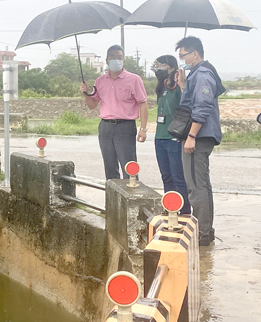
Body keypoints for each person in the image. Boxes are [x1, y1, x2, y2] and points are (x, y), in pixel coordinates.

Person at [176, 36, 224, 246]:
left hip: (199, 136)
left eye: (183, 55)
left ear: (195, 53)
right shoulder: (196, 74)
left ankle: (202, 235)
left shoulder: (203, 74)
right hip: (199, 135)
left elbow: (203, 107)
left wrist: (192, 135)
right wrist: (183, 85)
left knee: (196, 186)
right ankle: (206, 230)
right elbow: (191, 102)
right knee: (202, 185)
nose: (182, 60)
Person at [80, 45, 148, 180]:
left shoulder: (133, 79)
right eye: (112, 57)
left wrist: (143, 129)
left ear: (124, 60)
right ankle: (113, 198)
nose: (116, 60)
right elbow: (93, 105)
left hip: (125, 126)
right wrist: (85, 93)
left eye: (119, 57)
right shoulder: (100, 81)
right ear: (106, 60)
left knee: (128, 166)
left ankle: (131, 197)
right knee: (109, 166)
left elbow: (143, 103)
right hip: (105, 127)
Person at [152, 54, 191, 214]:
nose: (158, 69)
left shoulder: (178, 86)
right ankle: (171, 208)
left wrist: (182, 83)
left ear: (172, 67)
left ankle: (184, 210)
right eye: (157, 66)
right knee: (166, 177)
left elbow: (187, 103)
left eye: (161, 65)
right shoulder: (161, 87)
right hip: (160, 137)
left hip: (173, 137)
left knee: (178, 177)